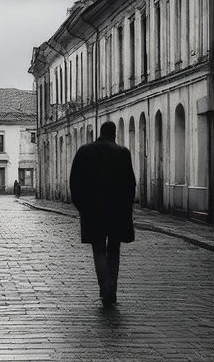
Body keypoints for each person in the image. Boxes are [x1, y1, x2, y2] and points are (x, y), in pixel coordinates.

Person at [69, 120, 136, 308]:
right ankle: (112, 290)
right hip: (118, 211)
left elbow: (75, 183)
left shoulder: (84, 151)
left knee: (98, 249)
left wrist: (82, 207)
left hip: (93, 210)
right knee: (114, 250)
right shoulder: (123, 153)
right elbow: (130, 184)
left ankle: (103, 288)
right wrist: (127, 208)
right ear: (114, 134)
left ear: (100, 132)